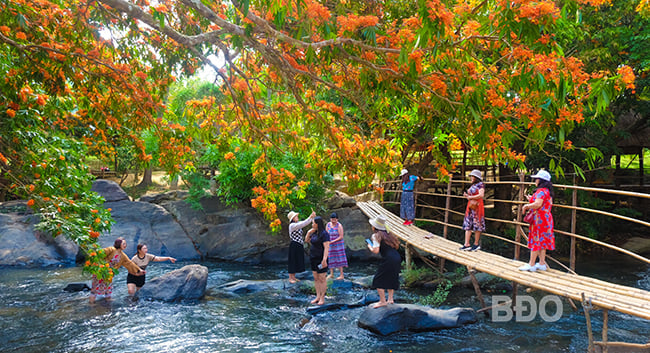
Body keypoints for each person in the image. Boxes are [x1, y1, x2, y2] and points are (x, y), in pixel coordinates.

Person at [518, 169, 555, 272]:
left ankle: (531, 264)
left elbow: (538, 204)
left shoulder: (541, 191)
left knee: (536, 240)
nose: (535, 180)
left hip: (539, 219)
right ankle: (542, 263)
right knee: (542, 240)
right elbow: (543, 203)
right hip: (546, 218)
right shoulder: (547, 192)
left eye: (537, 179)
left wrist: (526, 206)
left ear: (541, 180)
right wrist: (531, 200)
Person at [89, 237, 144, 303]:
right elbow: (100, 254)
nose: (125, 245)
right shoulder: (111, 249)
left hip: (109, 274)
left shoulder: (122, 255)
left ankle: (108, 299)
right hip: (101, 271)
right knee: (95, 287)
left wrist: (139, 270)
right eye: (123, 244)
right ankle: (91, 302)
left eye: (125, 244)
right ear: (118, 244)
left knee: (108, 287)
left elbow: (129, 263)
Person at [367, 215, 401, 308]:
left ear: (374, 227)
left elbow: (376, 251)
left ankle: (383, 301)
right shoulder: (389, 234)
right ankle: (390, 299)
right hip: (397, 257)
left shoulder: (376, 236)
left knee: (378, 279)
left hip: (388, 259)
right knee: (392, 277)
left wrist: (370, 247)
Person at [305, 216, 330, 305]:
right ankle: (317, 296)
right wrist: (308, 232)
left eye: (313, 223)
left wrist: (324, 260)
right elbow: (307, 240)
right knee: (316, 278)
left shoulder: (324, 234)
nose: (312, 224)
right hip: (313, 257)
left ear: (317, 224)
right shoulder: (314, 232)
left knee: (322, 278)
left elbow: (326, 247)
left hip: (321, 258)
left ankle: (322, 298)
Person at [287, 209, 316, 283]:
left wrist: (312, 217)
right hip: (294, 244)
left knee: (297, 260)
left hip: (299, 244)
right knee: (292, 260)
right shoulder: (292, 225)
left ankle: (294, 277)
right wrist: (310, 217)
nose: (297, 217)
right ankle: (290, 277)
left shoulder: (297, 223)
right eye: (296, 216)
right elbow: (303, 224)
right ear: (293, 218)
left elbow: (305, 222)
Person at [460, 169, 485, 251]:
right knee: (468, 224)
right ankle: (466, 244)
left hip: (477, 206)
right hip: (471, 205)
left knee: (477, 224)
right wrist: (468, 196)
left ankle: (476, 244)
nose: (471, 178)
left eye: (472, 176)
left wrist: (471, 197)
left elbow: (481, 195)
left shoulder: (480, 185)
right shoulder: (473, 185)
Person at [326, 213, 348, 280]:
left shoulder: (339, 225)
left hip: (338, 244)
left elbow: (341, 236)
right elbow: (326, 233)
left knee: (339, 258)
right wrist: (327, 241)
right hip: (330, 244)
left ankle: (341, 274)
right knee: (330, 257)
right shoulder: (328, 224)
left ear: (337, 219)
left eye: (335, 219)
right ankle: (331, 274)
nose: (333, 221)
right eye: (332, 219)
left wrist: (332, 241)